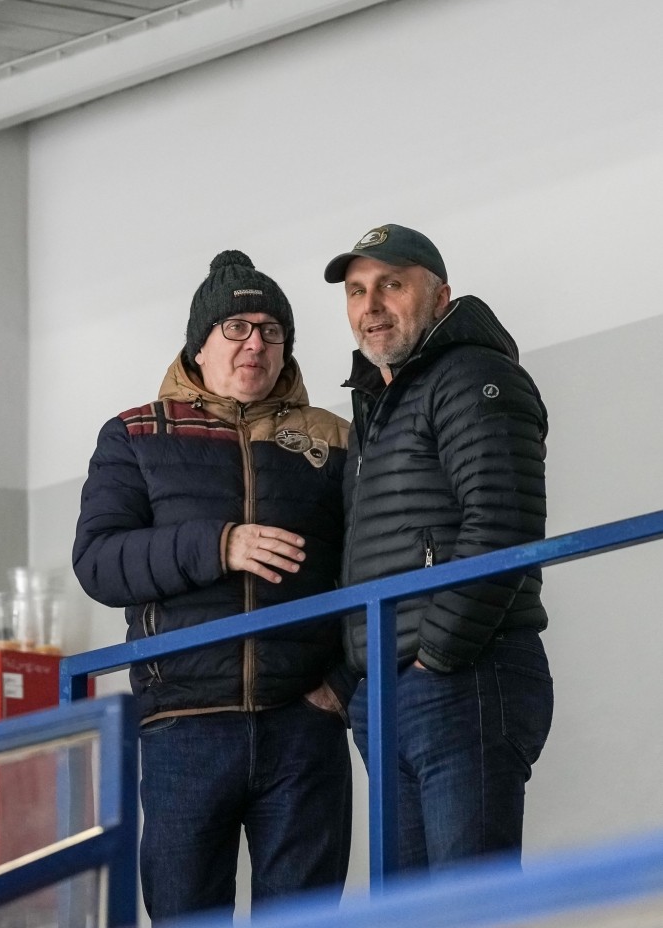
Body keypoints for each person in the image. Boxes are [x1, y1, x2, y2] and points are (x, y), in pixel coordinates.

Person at [73, 250, 354, 921]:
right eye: (236, 328)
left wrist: (340, 688)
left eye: (271, 330)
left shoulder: (337, 438)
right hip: (183, 727)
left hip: (304, 724)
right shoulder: (136, 434)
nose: (255, 343)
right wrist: (219, 545)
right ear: (199, 344)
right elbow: (98, 561)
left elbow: (375, 564)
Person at [324, 223, 553, 874]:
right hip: (389, 689)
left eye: (391, 285)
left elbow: (502, 520)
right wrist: (361, 677)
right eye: (356, 291)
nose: (371, 305)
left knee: (465, 906)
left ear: (440, 297)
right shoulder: (378, 404)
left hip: (463, 676)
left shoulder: (472, 374)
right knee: (407, 911)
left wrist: (437, 656)